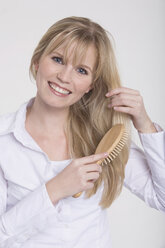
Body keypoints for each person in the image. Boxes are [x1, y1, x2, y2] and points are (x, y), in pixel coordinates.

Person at [0, 16, 164, 248]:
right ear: (37, 61)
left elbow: (163, 198)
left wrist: (145, 125)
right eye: (57, 59)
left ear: (91, 86)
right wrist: (56, 189)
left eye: (81, 70)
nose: (65, 77)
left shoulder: (103, 137)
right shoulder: (3, 141)